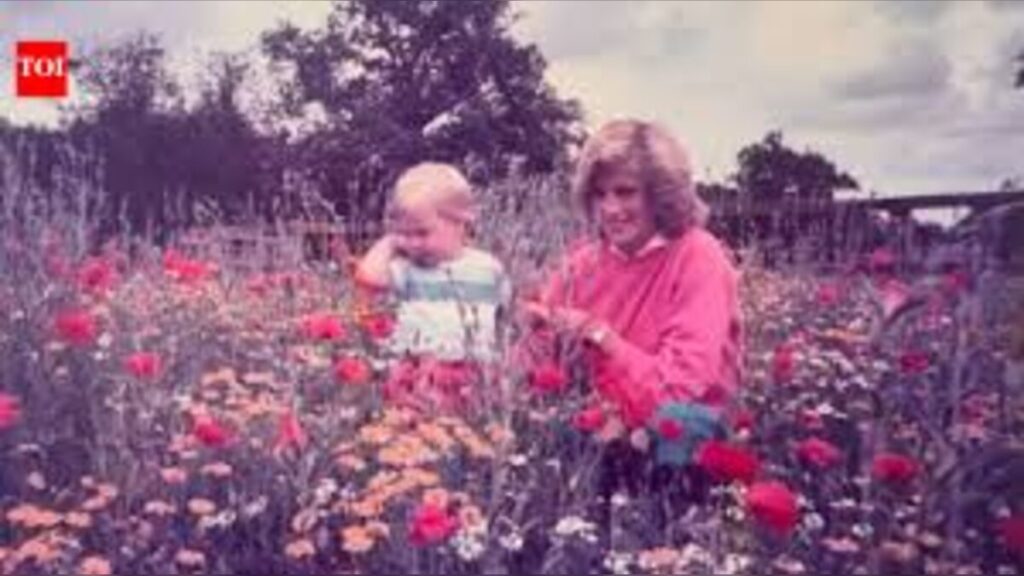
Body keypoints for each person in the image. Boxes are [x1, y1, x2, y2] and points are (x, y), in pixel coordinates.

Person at [521, 119, 743, 501]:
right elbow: (535, 355)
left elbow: (679, 391)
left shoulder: (698, 256)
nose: (611, 209)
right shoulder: (582, 263)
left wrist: (600, 335)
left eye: (625, 192)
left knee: (672, 433)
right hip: (602, 424)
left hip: (679, 432)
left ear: (660, 194)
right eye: (599, 194)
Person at [356, 162, 510, 414]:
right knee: (413, 428)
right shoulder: (407, 269)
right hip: (416, 370)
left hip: (471, 373)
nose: (413, 243)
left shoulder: (488, 268)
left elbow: (504, 317)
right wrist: (390, 242)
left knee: (468, 427)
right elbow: (369, 277)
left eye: (422, 233)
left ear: (461, 222)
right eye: (405, 234)